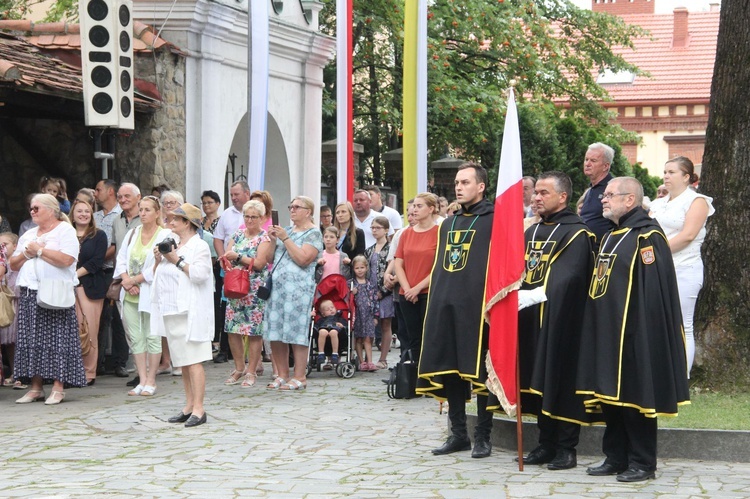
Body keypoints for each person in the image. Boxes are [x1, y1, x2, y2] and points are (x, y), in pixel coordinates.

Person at [577, 177, 689, 483]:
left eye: (610, 195)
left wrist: (641, 332)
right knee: (610, 396)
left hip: (634, 333)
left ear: (630, 200)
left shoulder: (647, 237)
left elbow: (652, 291)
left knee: (636, 397)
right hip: (607, 330)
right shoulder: (612, 235)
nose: (604, 199)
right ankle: (615, 457)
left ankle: (642, 463)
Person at [515, 172, 596, 470]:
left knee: (560, 381)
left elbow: (570, 277)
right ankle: (544, 444)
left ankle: (566, 448)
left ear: (562, 197)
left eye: (543, 193)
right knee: (537, 381)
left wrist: (534, 295)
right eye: (535, 192)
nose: (536, 197)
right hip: (530, 319)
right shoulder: (531, 232)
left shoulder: (578, 233)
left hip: (562, 321)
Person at [416, 163, 494, 458]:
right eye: (457, 183)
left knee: (480, 372)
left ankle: (484, 435)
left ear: (481, 186)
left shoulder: (495, 220)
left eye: (465, 182)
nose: (458, 187)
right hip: (446, 304)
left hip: (477, 308)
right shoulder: (448, 223)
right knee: (450, 370)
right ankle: (458, 433)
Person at [9, 193, 85, 404]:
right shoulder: (29, 233)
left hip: (55, 290)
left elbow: (67, 259)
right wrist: (27, 254)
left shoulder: (65, 230)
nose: (32, 212)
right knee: (31, 338)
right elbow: (13, 264)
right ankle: (36, 387)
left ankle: (59, 387)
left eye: (36, 208)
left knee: (56, 338)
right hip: (30, 291)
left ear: (51, 210)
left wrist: (40, 251)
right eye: (31, 208)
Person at [649, 157, 714, 374]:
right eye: (665, 172)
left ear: (686, 177)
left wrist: (655, 252)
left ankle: (681, 376)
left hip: (684, 268)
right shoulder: (657, 203)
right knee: (657, 322)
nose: (666, 176)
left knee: (682, 324)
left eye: (672, 172)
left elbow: (687, 235)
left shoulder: (697, 201)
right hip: (658, 268)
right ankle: (660, 374)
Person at [152, 203, 215, 427]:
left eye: (176, 219)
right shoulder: (174, 243)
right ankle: (188, 405)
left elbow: (199, 275)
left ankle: (199, 408)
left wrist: (176, 260)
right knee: (183, 362)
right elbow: (158, 275)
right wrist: (160, 259)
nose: (171, 222)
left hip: (191, 310)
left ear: (187, 222)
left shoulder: (200, 246)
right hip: (172, 308)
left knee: (194, 360)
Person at [264, 195, 323, 391]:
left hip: (298, 291)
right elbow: (269, 258)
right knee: (276, 332)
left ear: (308, 211)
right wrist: (273, 240)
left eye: (297, 207)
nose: (292, 210)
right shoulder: (285, 231)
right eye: (291, 206)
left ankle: (300, 375)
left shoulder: (313, 233)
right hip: (278, 290)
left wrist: (285, 238)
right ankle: (282, 374)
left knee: (296, 332)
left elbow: (303, 259)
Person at [114, 196, 171, 396]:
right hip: (130, 292)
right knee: (136, 337)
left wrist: (135, 280)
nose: (143, 213)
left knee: (152, 335)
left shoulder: (165, 234)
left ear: (157, 213)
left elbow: (161, 265)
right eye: (141, 209)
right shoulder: (132, 233)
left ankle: (152, 380)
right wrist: (126, 280)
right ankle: (142, 378)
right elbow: (121, 259)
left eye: (148, 210)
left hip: (150, 291)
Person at [220, 200, 273, 388]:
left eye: (254, 217)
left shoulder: (264, 238)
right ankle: (239, 367)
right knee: (232, 328)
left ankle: (252, 371)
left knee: (253, 331)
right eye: (247, 216)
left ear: (262, 218)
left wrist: (239, 258)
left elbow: (259, 263)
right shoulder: (237, 234)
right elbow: (228, 254)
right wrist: (225, 260)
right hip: (235, 287)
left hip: (254, 288)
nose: (249, 220)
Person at [394, 192, 438, 367]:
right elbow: (399, 263)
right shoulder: (407, 233)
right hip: (407, 292)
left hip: (428, 291)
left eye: (419, 206)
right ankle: (414, 374)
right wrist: (407, 288)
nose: (414, 209)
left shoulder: (439, 232)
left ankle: (429, 373)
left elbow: (439, 266)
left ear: (431, 209)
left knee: (429, 335)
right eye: (414, 206)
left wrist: (417, 288)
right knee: (412, 336)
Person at [212, 181, 251, 364]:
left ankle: (253, 355)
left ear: (247, 193)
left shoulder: (254, 212)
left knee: (250, 312)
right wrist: (223, 258)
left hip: (250, 269)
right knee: (227, 309)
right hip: (228, 269)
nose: (233, 198)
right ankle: (224, 350)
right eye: (232, 195)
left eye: (236, 194)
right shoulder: (226, 214)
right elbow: (218, 239)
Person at [71, 199, 108, 386]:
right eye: (80, 211)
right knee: (70, 330)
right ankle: (72, 372)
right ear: (73, 214)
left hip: (89, 287)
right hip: (66, 289)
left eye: (87, 211)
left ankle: (89, 373)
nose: (84, 214)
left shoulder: (99, 236)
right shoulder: (66, 233)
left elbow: (96, 262)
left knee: (89, 330)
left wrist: (73, 276)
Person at [111, 183, 142, 379]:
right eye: (120, 197)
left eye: (127, 196)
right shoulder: (116, 220)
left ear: (138, 197)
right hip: (123, 279)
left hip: (142, 278)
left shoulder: (146, 218)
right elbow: (117, 251)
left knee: (144, 325)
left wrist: (135, 280)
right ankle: (139, 370)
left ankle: (145, 372)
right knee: (127, 325)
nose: (122, 200)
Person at [365, 216, 393, 370]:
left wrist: (384, 290)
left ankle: (383, 358)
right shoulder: (369, 250)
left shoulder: (390, 249)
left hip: (386, 291)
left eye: (378, 228)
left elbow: (393, 270)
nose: (374, 231)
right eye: (373, 228)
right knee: (369, 323)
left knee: (386, 324)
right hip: (371, 291)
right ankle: (368, 357)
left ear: (386, 230)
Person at [579, 142, 616, 242]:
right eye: (586, 159)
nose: (587, 164)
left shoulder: (614, 188)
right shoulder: (590, 190)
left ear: (605, 166)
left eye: (593, 160)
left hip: (604, 250)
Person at [350, 255, 379, 372]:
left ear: (366, 268)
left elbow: (375, 300)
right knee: (358, 338)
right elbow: (347, 299)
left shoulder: (370, 284)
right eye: (357, 268)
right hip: (357, 315)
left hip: (368, 314)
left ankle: (370, 361)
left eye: (362, 267)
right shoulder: (351, 284)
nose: (360, 270)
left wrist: (376, 316)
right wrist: (352, 293)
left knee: (368, 338)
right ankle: (361, 362)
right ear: (353, 269)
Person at [0, 232, 20, 387]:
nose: (2, 248)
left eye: (5, 244)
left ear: (15, 245)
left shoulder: (18, 262)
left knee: (18, 340)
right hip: (5, 304)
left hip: (17, 303)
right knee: (8, 343)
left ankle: (20, 374)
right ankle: (14, 372)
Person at [313, 299, 345, 368]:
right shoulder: (321, 320)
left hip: (337, 332)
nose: (331, 310)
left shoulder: (339, 317)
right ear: (323, 314)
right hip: (324, 329)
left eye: (332, 307)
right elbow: (316, 326)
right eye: (327, 309)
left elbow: (345, 325)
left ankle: (335, 354)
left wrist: (342, 325)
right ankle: (321, 353)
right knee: (322, 331)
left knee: (333, 332)